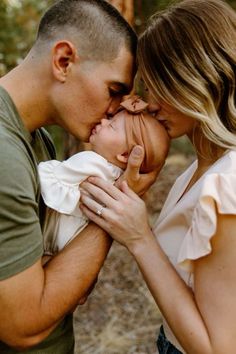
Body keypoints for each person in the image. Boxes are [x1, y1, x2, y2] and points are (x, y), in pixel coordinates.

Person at [0, 0, 159, 352]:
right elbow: (24, 325)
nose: (116, 109)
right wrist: (115, 204)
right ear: (64, 61)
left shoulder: (34, 137)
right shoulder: (4, 158)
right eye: (114, 90)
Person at [79, 0, 236, 353]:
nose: (149, 104)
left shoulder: (227, 185)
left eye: (157, 87)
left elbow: (217, 348)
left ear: (194, 80)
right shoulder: (199, 170)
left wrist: (140, 239)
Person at [38, 96, 169, 258]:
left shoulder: (91, 162)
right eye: (110, 120)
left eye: (112, 126)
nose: (103, 122)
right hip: (69, 246)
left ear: (124, 155)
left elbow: (45, 178)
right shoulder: (117, 177)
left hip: (50, 234)